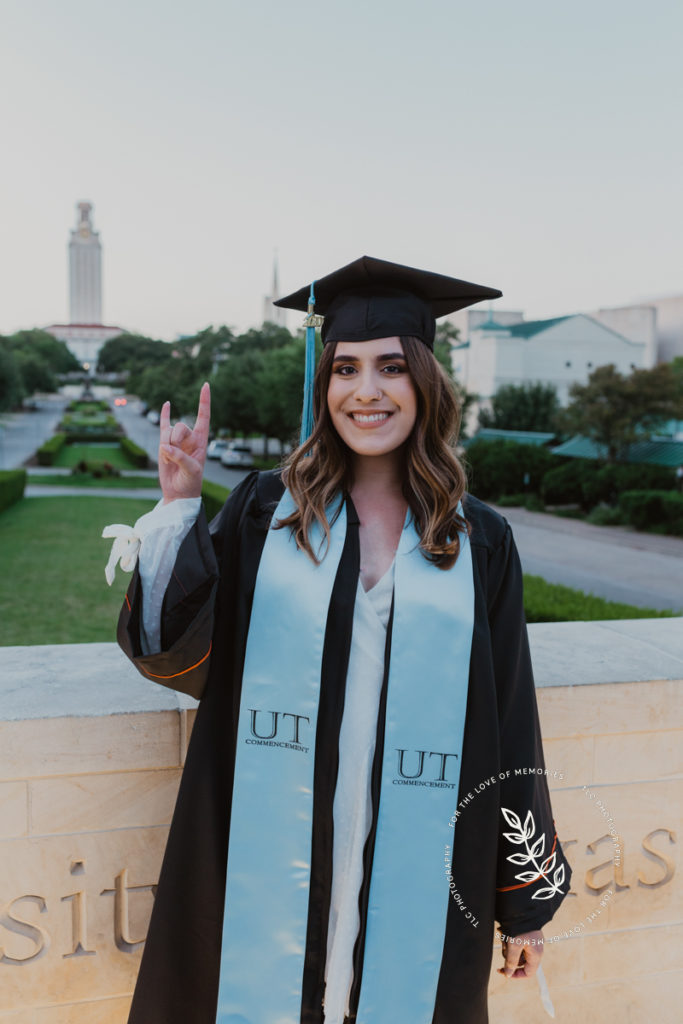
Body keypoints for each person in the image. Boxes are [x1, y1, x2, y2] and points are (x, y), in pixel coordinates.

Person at [105, 256, 572, 1024]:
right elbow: (180, 656)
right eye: (345, 369)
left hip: (420, 854)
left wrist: (523, 900)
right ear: (323, 388)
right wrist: (179, 507)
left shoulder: (477, 539)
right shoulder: (269, 511)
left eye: (390, 367)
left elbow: (511, 716)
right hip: (270, 845)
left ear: (425, 381)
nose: (366, 391)